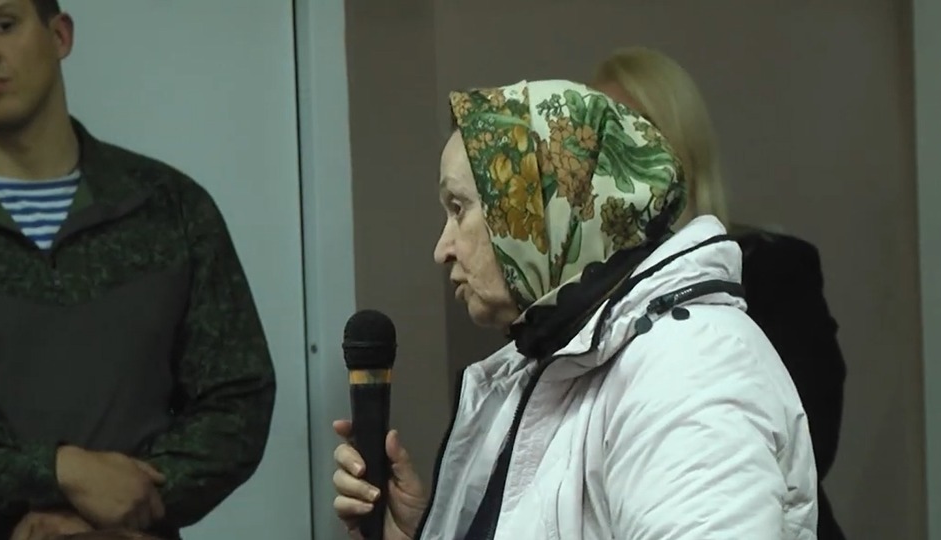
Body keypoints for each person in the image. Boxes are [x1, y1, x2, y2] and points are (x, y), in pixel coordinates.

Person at [0, 0, 276, 538]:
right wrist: (57, 473)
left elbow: (236, 401)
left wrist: (126, 499)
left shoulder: (168, 207)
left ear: (59, 36)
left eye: (3, 25)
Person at [331, 79, 817, 539]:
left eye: (459, 208)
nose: (443, 249)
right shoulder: (554, 362)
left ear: (540, 206)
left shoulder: (690, 367)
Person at [591, 45, 848, 540]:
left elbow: (811, 437)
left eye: (633, 131)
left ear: (680, 147)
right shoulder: (580, 294)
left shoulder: (773, 270)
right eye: (597, 137)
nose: (610, 158)